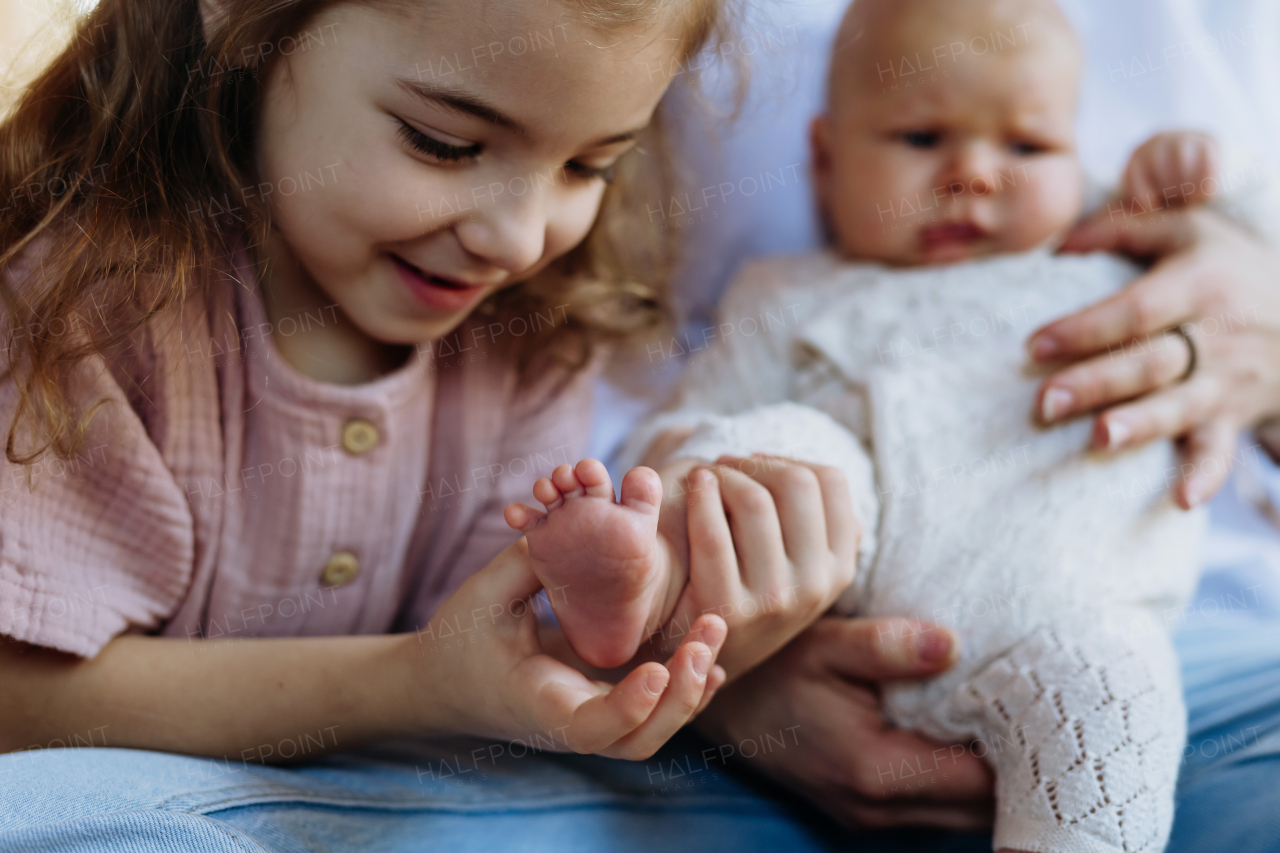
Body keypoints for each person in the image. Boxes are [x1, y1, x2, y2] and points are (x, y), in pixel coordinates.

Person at [0, 0, 863, 847]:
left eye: (588, 167)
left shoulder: (532, 328)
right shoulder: (76, 308)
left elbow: (512, 663)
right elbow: (19, 702)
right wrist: (415, 682)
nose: (519, 239)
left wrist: (675, 622)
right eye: (445, 144)